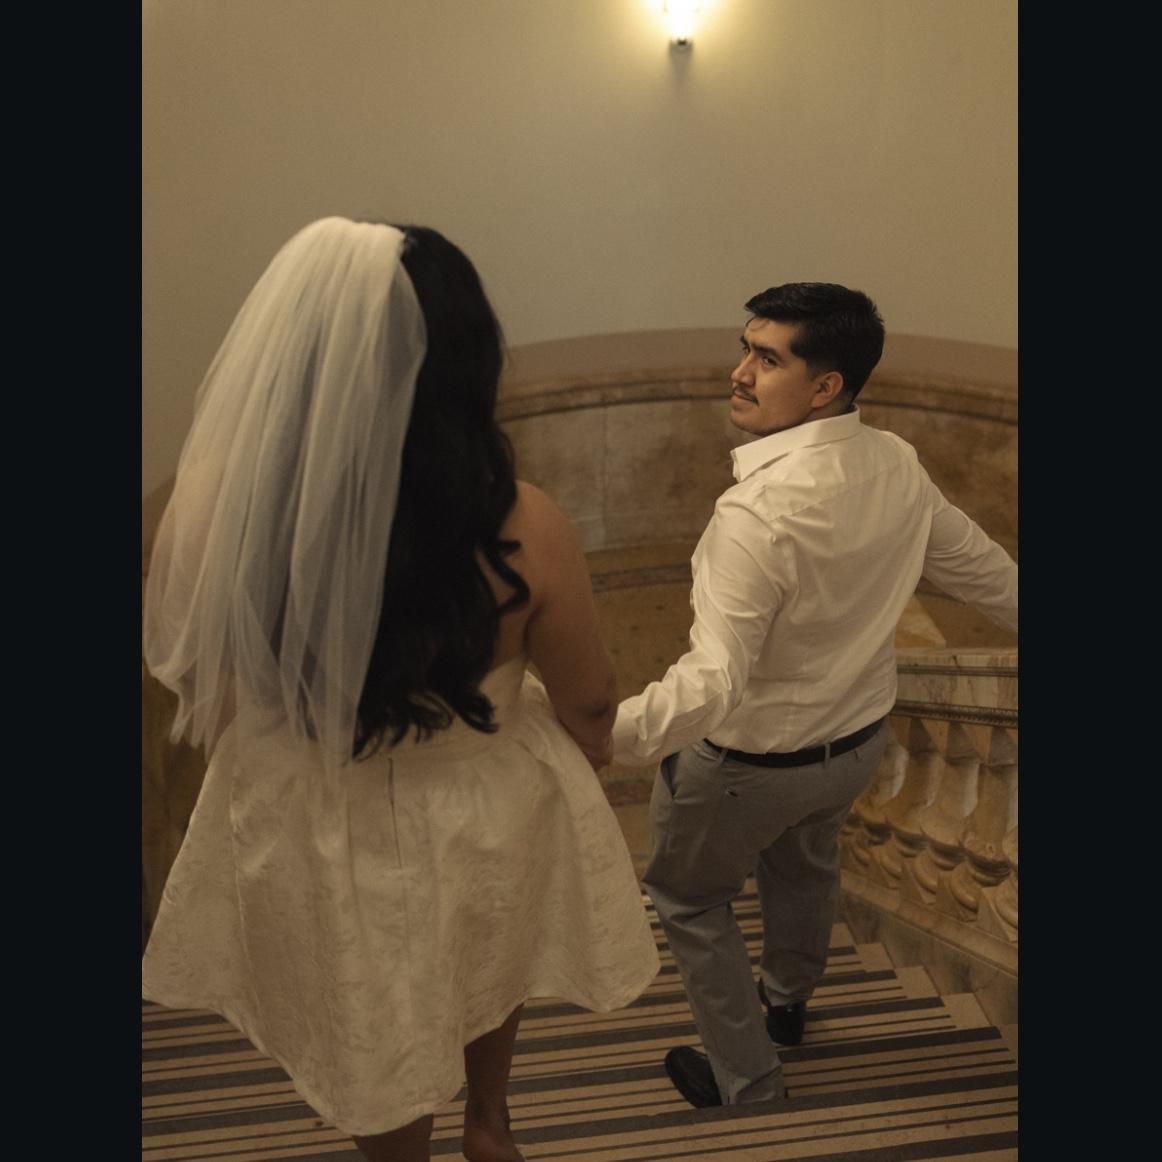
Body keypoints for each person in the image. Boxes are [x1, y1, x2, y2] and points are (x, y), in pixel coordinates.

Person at [142, 217, 659, 1162]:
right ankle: (489, 1120)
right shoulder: (522, 521)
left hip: (311, 805)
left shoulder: (217, 501)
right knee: (489, 943)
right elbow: (588, 694)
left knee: (368, 1011)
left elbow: (199, 664)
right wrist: (589, 752)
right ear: (462, 360)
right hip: (478, 793)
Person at [610, 282, 1017, 1109]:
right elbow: (987, 575)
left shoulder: (755, 514)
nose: (739, 372)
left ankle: (747, 1076)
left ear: (826, 385)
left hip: (746, 767)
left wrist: (599, 732)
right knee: (804, 869)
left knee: (689, 898)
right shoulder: (895, 461)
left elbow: (713, 682)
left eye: (767, 359)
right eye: (745, 349)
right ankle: (786, 1004)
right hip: (853, 750)